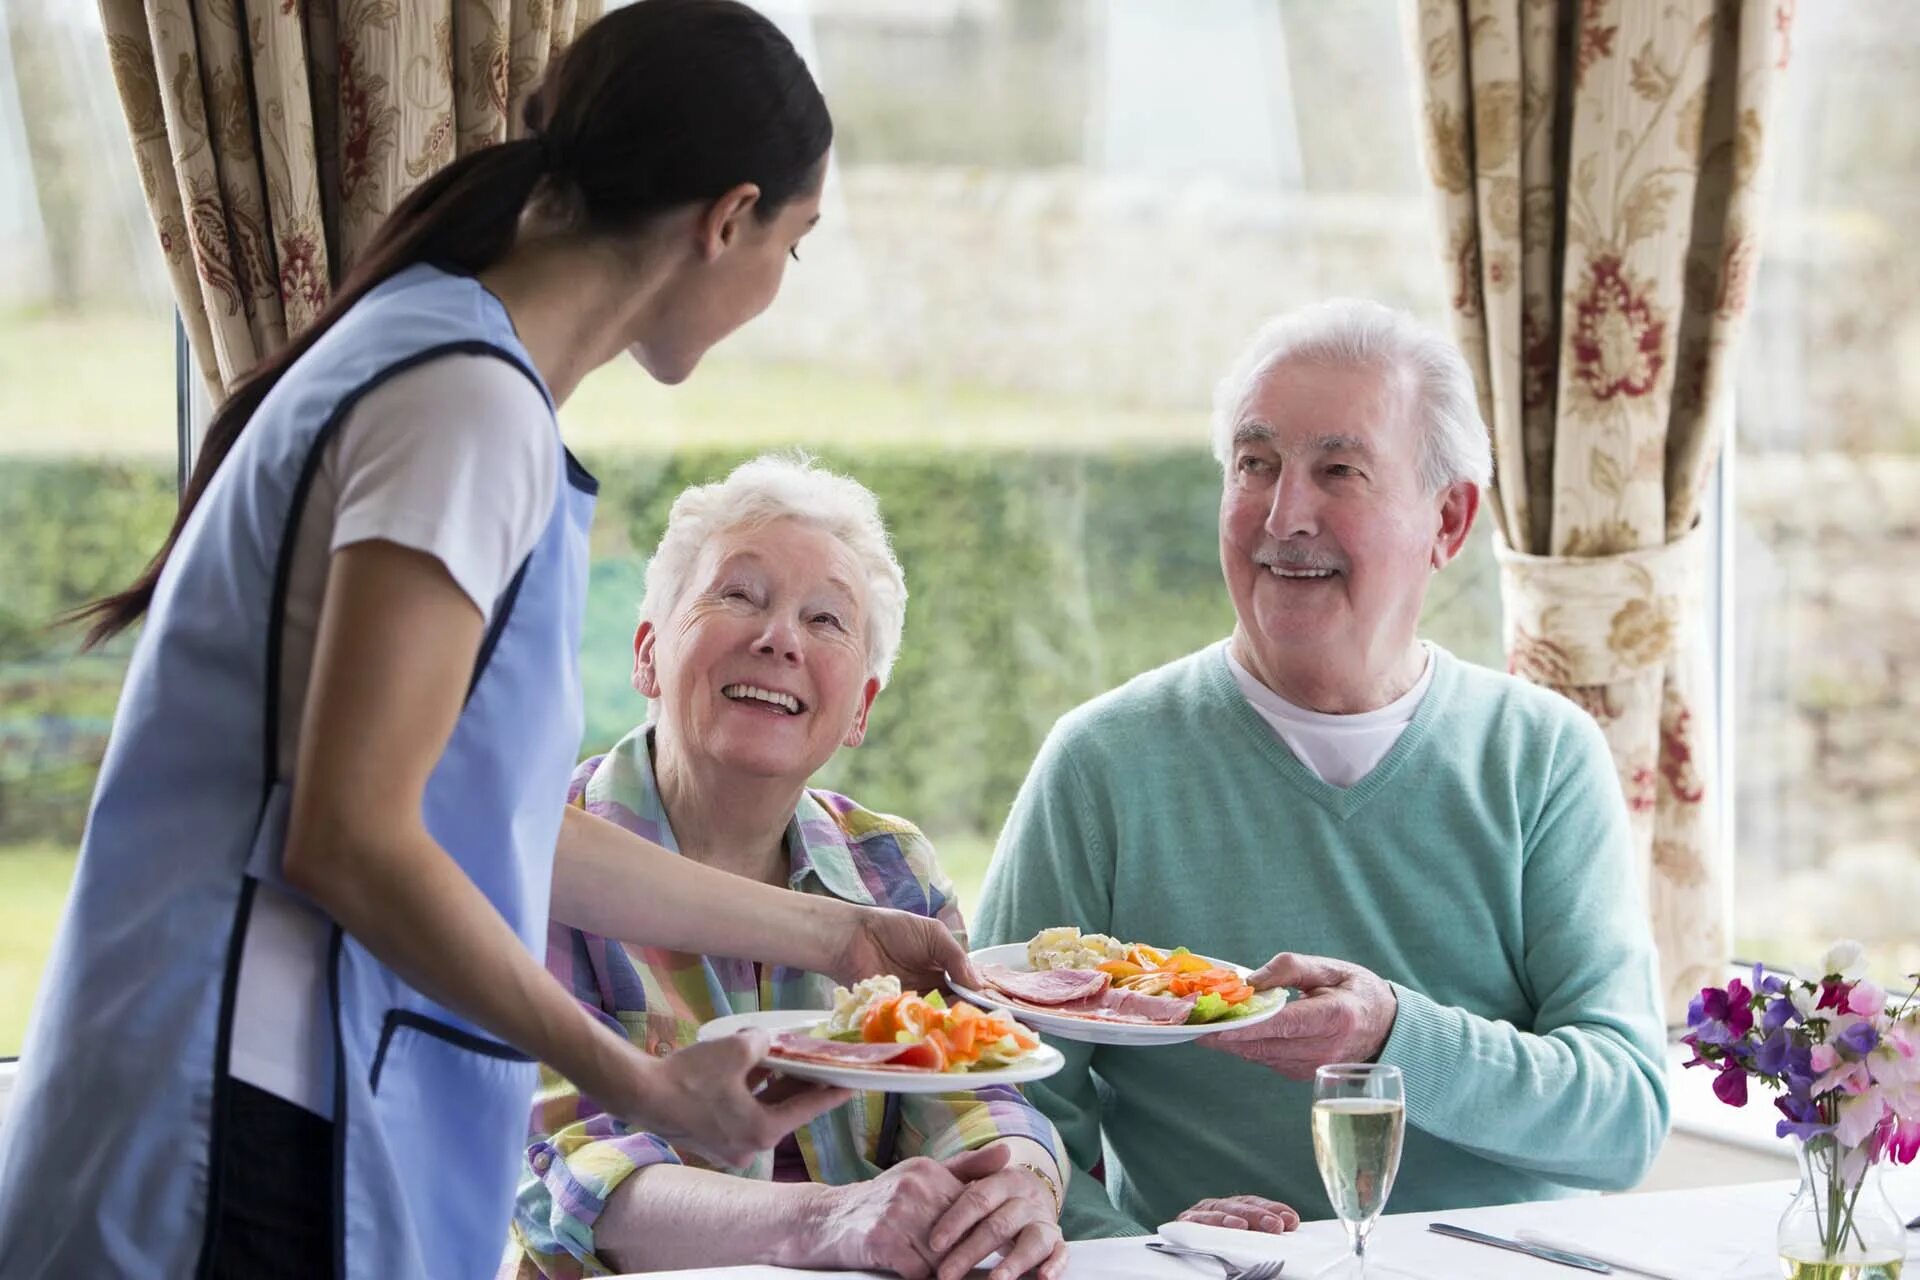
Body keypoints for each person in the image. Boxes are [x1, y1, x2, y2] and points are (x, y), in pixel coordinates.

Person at [0, 6, 973, 1279]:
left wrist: (836, 938)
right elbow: (350, 836)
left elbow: (494, 825)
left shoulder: (444, 361)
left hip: (261, 1108)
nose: (779, 281)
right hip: (230, 1124)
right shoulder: (463, 406)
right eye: (796, 243)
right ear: (727, 219)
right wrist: (645, 1082)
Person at [975, 299, 1670, 1240]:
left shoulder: (1541, 757)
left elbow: (1624, 1118)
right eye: (1255, 466)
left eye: (1338, 472)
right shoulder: (1103, 764)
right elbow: (999, 1099)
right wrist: (1147, 1250)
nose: (1283, 514)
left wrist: (1393, 1036)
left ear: (1449, 520)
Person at [502, 455, 1068, 1280]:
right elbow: (562, 1176)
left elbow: (978, 1089)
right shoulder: (537, 851)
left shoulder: (889, 867)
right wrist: (827, 1220)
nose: (779, 640)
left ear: (861, 711)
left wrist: (1022, 1182)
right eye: (738, 595)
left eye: (827, 620)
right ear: (648, 656)